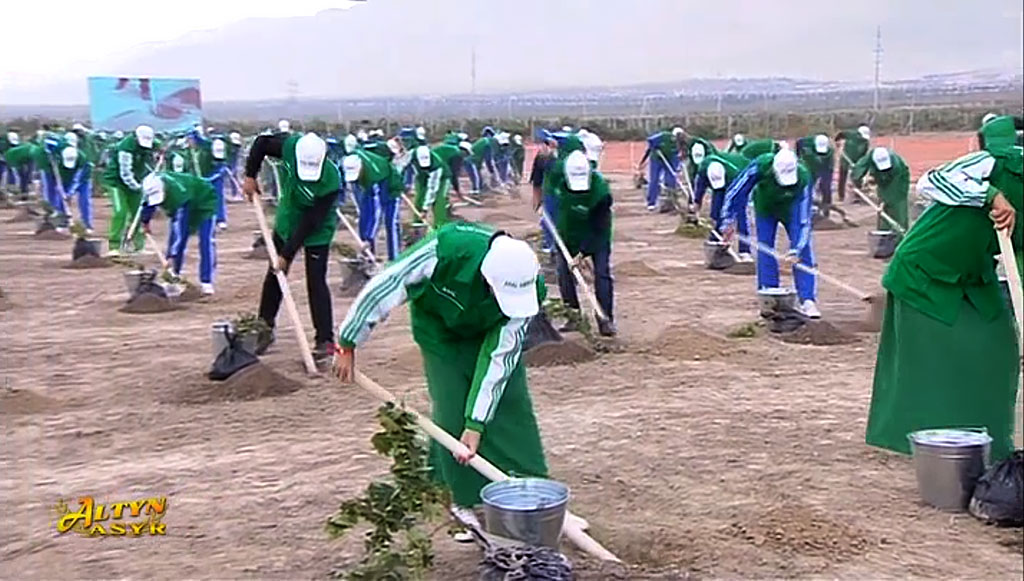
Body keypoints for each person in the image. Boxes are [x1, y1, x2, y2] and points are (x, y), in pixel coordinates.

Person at [333, 222, 549, 534]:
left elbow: (499, 358)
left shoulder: (528, 285)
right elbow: (387, 284)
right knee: (451, 408)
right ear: (487, 279)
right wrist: (348, 341)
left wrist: (476, 424)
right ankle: (460, 499)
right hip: (440, 332)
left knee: (510, 402)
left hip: (488, 331)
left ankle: (534, 490)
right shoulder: (447, 250)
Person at [866, 136, 1022, 463]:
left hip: (973, 275)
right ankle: (926, 441)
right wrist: (990, 195)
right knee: (931, 356)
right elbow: (932, 180)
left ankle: (988, 438)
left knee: (1002, 345)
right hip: (925, 269)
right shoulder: (999, 163)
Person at [243, 132, 340, 362]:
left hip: (317, 229)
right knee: (275, 275)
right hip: (287, 220)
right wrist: (250, 175)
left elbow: (311, 221)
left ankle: (325, 339)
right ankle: (264, 330)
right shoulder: (289, 147)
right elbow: (261, 143)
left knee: (316, 281)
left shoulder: (331, 180)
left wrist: (287, 253)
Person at [723, 149, 821, 318]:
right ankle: (769, 296)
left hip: (792, 210)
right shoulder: (761, 166)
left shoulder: (804, 178)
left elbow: (804, 221)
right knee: (765, 248)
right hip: (765, 208)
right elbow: (737, 191)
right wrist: (728, 220)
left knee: (803, 251)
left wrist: (795, 250)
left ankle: (807, 300)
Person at [552, 150, 617, 336]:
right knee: (564, 274)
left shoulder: (601, 192)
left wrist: (582, 254)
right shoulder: (560, 181)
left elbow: (599, 226)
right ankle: (573, 317)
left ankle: (605, 319)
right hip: (567, 235)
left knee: (602, 274)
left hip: (597, 235)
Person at [140, 172, 218, 295]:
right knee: (175, 242)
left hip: (204, 201)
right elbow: (147, 204)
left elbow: (179, 231)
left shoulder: (178, 196)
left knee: (205, 241)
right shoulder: (150, 183)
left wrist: (172, 255)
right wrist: (145, 221)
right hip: (187, 200)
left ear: (165, 189)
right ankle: (174, 278)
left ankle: (206, 281)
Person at [341, 147, 404, 261]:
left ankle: (395, 259)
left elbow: (377, 212)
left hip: (390, 187)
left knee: (391, 222)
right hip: (370, 187)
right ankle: (369, 256)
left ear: (361, 169)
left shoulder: (374, 175)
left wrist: (369, 237)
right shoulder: (348, 161)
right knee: (364, 218)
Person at [102, 125, 156, 255]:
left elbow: (158, 151)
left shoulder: (151, 143)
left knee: (138, 212)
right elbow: (125, 173)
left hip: (136, 182)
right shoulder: (125, 148)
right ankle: (114, 246)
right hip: (116, 182)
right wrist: (138, 187)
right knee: (121, 212)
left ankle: (139, 246)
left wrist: (162, 152)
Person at [692, 150, 754, 260]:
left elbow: (734, 201)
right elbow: (700, 188)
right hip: (722, 182)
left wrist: (729, 224)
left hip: (737, 180)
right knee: (716, 213)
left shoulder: (735, 175)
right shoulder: (704, 168)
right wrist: (696, 203)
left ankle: (745, 251)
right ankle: (715, 242)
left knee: (741, 214)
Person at [851, 147, 910, 236]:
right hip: (881, 175)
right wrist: (856, 180)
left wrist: (884, 200)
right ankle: (884, 234)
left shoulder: (896, 166)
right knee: (883, 211)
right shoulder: (871, 156)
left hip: (899, 182)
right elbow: (859, 167)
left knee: (896, 205)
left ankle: (900, 235)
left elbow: (889, 186)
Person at [189, 130, 229, 229]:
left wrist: (213, 177)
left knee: (217, 197)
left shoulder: (218, 149)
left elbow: (222, 167)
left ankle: (220, 219)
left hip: (215, 177)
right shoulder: (203, 147)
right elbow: (198, 140)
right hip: (202, 177)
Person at [638, 127, 684, 211]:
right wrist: (655, 148)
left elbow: (678, 157)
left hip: (670, 159)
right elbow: (650, 141)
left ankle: (671, 201)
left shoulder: (681, 144)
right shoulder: (664, 136)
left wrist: (677, 168)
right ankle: (651, 202)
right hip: (657, 159)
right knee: (655, 180)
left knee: (671, 179)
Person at [531, 131, 559, 255]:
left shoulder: (563, 159)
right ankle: (550, 244)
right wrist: (537, 201)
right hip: (550, 194)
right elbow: (536, 182)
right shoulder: (541, 157)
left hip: (561, 194)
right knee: (548, 220)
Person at [796, 134, 836, 219]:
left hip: (824, 168)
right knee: (807, 188)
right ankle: (806, 211)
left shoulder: (830, 153)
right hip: (809, 168)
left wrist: (823, 181)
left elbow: (829, 169)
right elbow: (798, 144)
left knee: (826, 187)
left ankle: (826, 210)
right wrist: (798, 156)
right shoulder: (805, 143)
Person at [411, 145, 451, 227]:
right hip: (421, 175)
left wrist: (425, 209)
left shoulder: (436, 165)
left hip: (441, 178)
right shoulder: (410, 155)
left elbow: (432, 189)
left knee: (439, 201)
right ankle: (418, 220)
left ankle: (440, 225)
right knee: (420, 196)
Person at [56, 145, 94, 232]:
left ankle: (87, 224)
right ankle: (63, 221)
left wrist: (70, 193)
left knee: (84, 201)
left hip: (83, 180)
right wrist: (62, 190)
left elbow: (77, 179)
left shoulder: (83, 160)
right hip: (66, 178)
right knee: (60, 199)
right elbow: (58, 177)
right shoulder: (58, 160)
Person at [834, 125, 871, 202]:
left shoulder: (865, 143)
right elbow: (840, 134)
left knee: (857, 177)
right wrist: (837, 141)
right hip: (845, 160)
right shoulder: (850, 135)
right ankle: (841, 196)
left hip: (856, 162)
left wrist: (859, 164)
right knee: (842, 177)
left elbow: (863, 155)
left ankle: (857, 195)